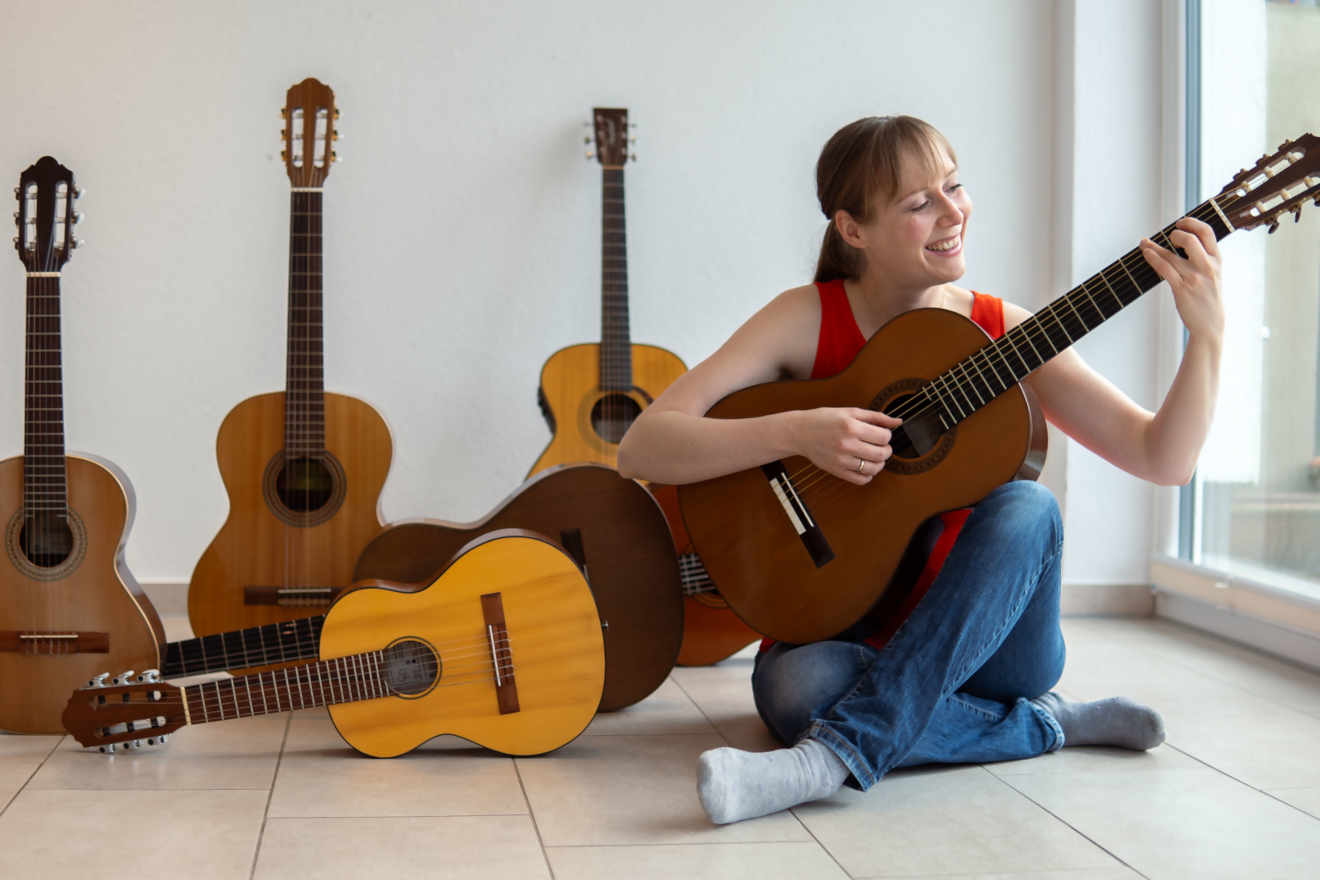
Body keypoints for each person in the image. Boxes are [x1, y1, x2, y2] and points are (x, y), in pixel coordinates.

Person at [616, 115, 1223, 825]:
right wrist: (798, 432)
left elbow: (1163, 457)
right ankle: (1046, 726)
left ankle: (830, 757)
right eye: (918, 203)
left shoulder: (1004, 330)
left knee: (1029, 510)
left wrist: (1207, 337)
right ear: (853, 229)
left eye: (955, 186)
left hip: (996, 652)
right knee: (796, 693)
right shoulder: (805, 319)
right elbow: (644, 446)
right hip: (839, 633)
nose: (953, 212)